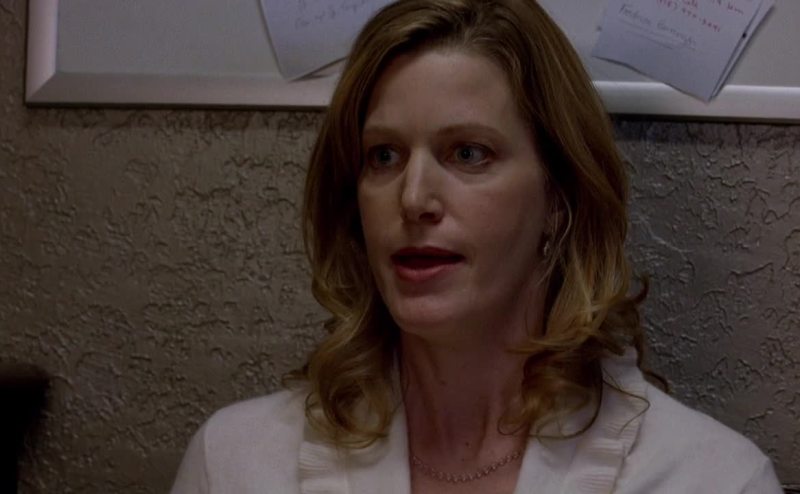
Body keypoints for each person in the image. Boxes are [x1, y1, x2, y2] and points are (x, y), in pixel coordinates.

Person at [170, 1, 784, 492]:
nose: (414, 198)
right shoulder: (235, 464)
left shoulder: (712, 479)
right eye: (383, 156)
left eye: (468, 153)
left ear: (558, 199)